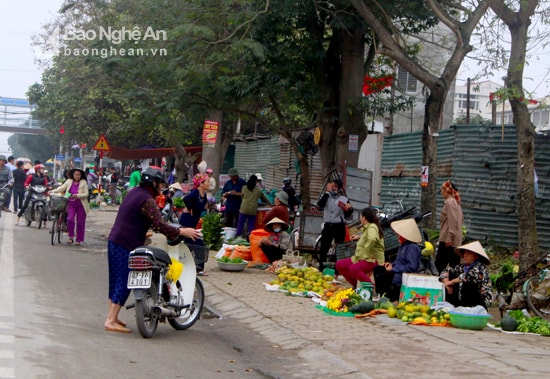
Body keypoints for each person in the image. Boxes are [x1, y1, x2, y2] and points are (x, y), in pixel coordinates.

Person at [104, 167, 200, 333]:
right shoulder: (147, 200)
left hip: (115, 239)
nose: (161, 188)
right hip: (126, 243)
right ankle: (110, 320)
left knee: (115, 279)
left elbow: (134, 217)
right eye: (160, 184)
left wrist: (143, 230)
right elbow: (159, 224)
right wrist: (182, 231)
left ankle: (113, 316)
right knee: (125, 280)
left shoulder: (134, 192)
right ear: (153, 183)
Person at [374, 218, 422, 301]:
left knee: (381, 277)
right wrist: (391, 264)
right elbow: (399, 261)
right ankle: (383, 296)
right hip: (398, 270)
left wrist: (394, 269)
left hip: (403, 274)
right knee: (377, 269)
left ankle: (389, 298)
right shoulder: (403, 245)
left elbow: (412, 267)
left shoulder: (412, 247)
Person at [336, 207, 385, 288]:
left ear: (364, 217)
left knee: (353, 268)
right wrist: (359, 237)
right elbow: (368, 236)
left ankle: (372, 287)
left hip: (372, 259)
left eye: (360, 217)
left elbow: (372, 238)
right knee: (340, 265)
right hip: (360, 257)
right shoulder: (368, 227)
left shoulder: (372, 227)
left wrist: (366, 249)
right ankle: (356, 285)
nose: (360, 219)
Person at [439, 241, 492, 310]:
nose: (465, 255)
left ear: (475, 256)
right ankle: (453, 308)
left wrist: (451, 282)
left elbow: (467, 276)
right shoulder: (462, 267)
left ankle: (467, 310)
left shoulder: (480, 267)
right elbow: (445, 271)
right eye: (464, 253)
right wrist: (447, 282)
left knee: (467, 284)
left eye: (468, 254)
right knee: (451, 275)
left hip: (479, 301)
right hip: (462, 298)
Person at [317, 179, 354, 271]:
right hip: (328, 224)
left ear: (340, 188)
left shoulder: (344, 199)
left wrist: (348, 210)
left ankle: (338, 268)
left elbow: (349, 215)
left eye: (336, 187)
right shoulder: (326, 196)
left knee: (339, 247)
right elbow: (320, 205)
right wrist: (327, 192)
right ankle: (322, 267)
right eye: (332, 186)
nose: (334, 189)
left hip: (339, 226)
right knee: (324, 247)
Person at [179, 173, 209, 274]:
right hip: (187, 220)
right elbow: (186, 199)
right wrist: (190, 207)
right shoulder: (195, 193)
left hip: (193, 222)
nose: (209, 183)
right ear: (201, 183)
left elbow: (203, 204)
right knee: (198, 244)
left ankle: (191, 265)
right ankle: (198, 267)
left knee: (190, 243)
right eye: (207, 181)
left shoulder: (203, 194)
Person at [51, 168, 89, 245]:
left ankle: (79, 239)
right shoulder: (69, 181)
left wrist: (77, 195)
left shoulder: (84, 182)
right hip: (71, 203)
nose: (77, 176)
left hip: (81, 204)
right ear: (73, 175)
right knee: (70, 219)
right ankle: (70, 236)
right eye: (76, 175)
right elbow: (62, 188)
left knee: (80, 222)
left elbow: (86, 194)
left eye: (79, 175)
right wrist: (52, 191)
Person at [435, 180, 464, 274]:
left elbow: (453, 220)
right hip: (455, 240)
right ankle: (452, 287)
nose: (441, 192)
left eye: (442, 190)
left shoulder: (449, 202)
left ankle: (438, 286)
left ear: (447, 190)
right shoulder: (455, 202)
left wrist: (449, 237)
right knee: (454, 266)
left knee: (439, 266)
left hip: (448, 240)